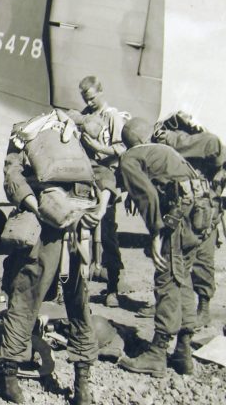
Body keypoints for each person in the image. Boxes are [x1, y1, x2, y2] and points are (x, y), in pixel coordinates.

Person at [0, 112, 109, 405]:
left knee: (24, 297)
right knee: (78, 304)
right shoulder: (74, 139)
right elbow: (105, 173)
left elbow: (12, 178)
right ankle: (82, 386)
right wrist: (99, 207)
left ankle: (10, 381)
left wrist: (37, 207)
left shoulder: (25, 137)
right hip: (79, 232)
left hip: (44, 232)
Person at [117, 118, 215, 377]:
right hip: (201, 216)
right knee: (183, 279)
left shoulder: (130, 157)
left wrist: (156, 232)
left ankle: (157, 354)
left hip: (179, 218)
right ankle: (183, 351)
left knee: (168, 280)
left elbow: (146, 195)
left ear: (130, 142)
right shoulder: (164, 151)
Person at [153, 112, 225, 326]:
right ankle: (167, 304)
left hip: (204, 212)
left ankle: (203, 306)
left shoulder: (209, 143)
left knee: (203, 261)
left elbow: (218, 160)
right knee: (172, 261)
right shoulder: (172, 146)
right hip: (180, 210)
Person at [76, 75, 127, 307]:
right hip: (86, 177)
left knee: (107, 233)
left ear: (101, 91)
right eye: (86, 98)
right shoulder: (84, 115)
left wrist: (98, 148)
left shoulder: (113, 116)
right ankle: (78, 286)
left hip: (107, 178)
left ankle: (113, 287)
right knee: (79, 231)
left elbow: (120, 148)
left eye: (92, 97)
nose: (90, 102)